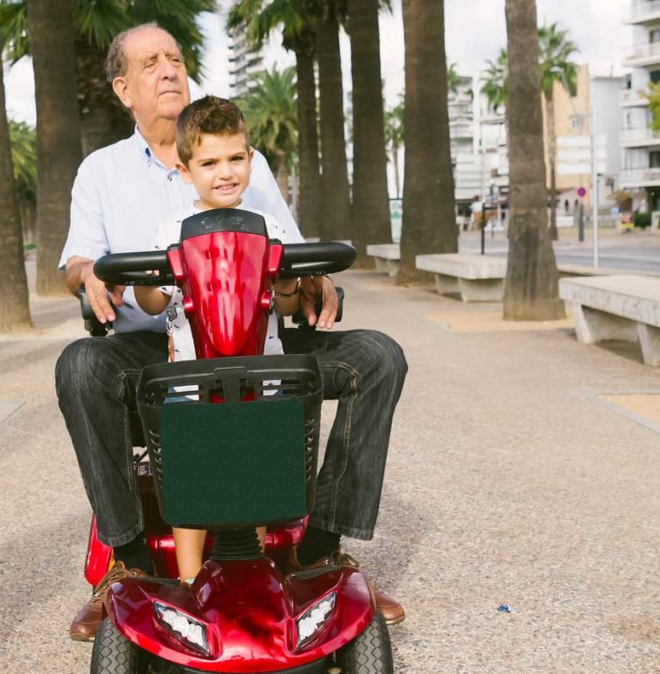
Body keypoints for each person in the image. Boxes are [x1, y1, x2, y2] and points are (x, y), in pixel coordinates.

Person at [56, 23, 408, 642]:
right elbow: (80, 262)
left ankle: (322, 549)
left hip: (259, 335)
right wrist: (88, 275)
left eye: (175, 58)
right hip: (162, 348)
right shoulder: (101, 171)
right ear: (123, 88)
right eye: (150, 63)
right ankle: (129, 566)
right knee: (81, 365)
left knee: (377, 357)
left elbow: (291, 254)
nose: (168, 70)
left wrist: (313, 280)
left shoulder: (251, 162)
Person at [133, 95, 301, 583]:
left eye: (234, 159)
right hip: (192, 380)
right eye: (209, 162)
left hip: (263, 376)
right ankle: (188, 580)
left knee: (262, 471)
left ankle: (258, 571)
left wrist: (288, 278)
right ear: (186, 172)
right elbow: (151, 303)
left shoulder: (270, 230)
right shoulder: (172, 232)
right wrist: (146, 276)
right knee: (193, 477)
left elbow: (286, 305)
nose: (224, 172)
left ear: (250, 160)